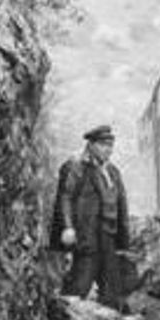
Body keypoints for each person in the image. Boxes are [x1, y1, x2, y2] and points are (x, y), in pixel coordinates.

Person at [55, 124, 130, 305]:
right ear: (91, 145)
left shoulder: (113, 171)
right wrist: (68, 227)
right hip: (87, 234)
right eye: (103, 145)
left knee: (112, 288)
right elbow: (65, 197)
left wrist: (124, 238)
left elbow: (121, 204)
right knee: (80, 284)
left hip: (109, 236)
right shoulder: (76, 167)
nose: (108, 150)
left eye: (110, 145)